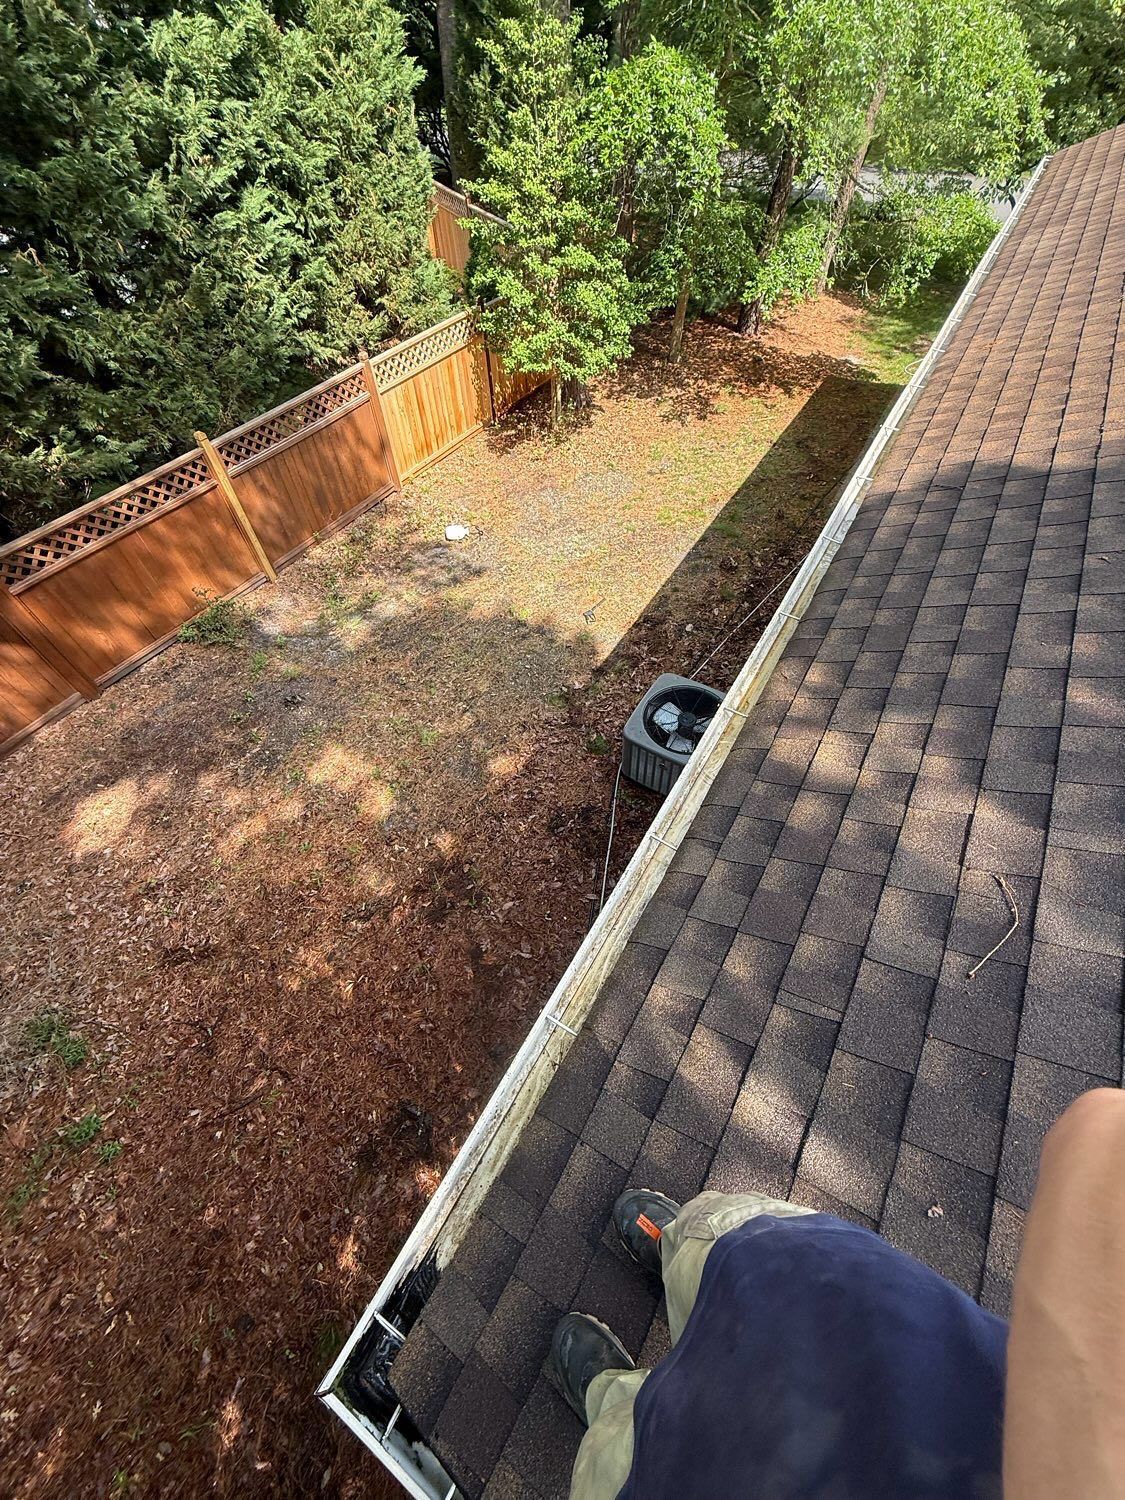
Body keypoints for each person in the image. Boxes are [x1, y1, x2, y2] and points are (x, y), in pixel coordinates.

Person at [548, 1088, 1125, 1500]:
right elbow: (1101, 1142)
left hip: (705, 1474)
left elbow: (1097, 1135)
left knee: (628, 1448)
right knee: (719, 1250)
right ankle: (674, 1252)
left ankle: (609, 1397)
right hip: (853, 1321)